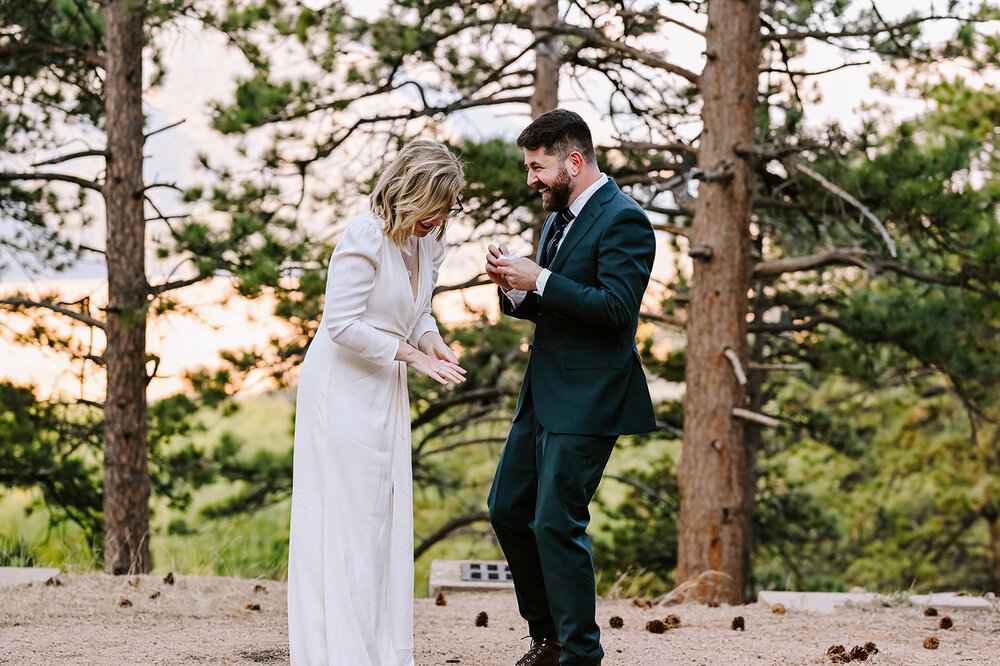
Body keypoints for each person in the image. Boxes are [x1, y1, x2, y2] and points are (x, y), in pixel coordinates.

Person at [485, 109, 657, 666]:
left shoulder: (624, 220)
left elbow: (615, 310)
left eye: (538, 167)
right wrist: (514, 287)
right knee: (508, 509)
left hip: (590, 398)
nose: (531, 178)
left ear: (574, 161)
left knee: (558, 522)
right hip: (541, 394)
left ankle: (581, 655)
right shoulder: (558, 218)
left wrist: (541, 277)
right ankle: (549, 638)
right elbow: (553, 307)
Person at [288, 139, 467, 666]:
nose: (441, 218)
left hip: (385, 385)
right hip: (340, 386)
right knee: (345, 517)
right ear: (411, 193)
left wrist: (433, 343)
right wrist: (413, 357)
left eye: (449, 207)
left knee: (379, 518)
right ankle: (337, 650)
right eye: (437, 205)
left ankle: (379, 648)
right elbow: (340, 325)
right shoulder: (364, 235)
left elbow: (417, 312)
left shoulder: (430, 243)